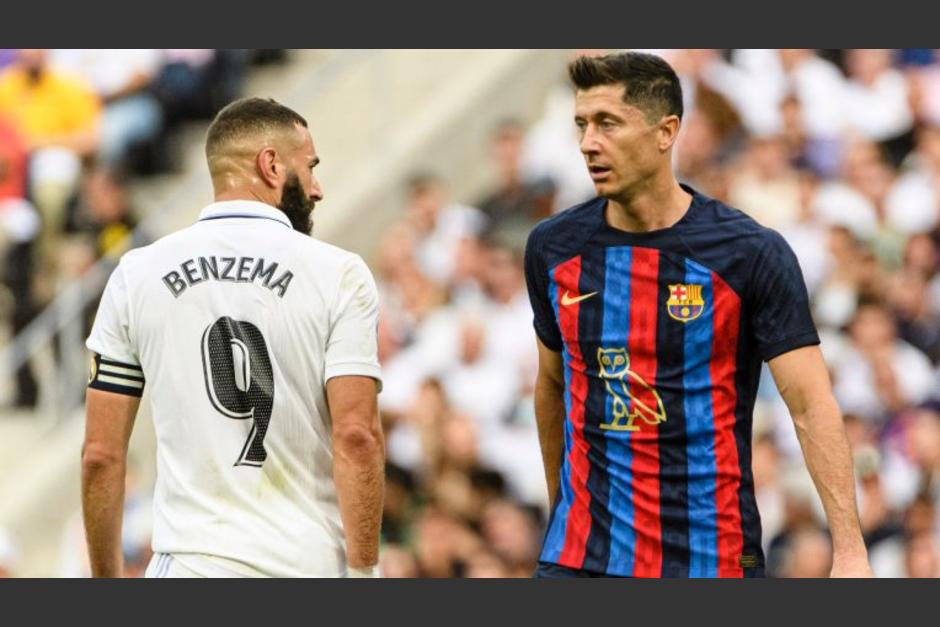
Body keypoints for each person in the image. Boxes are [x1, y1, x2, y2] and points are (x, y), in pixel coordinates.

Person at [524, 52, 873, 578]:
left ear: (666, 132)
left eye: (607, 123)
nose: (588, 143)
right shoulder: (553, 248)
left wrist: (848, 551)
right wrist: (561, 519)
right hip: (582, 558)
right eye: (582, 124)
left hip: (712, 557)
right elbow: (552, 385)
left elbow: (810, 404)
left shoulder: (748, 253)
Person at [82, 97, 385, 577]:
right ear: (271, 165)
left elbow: (100, 455)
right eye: (310, 167)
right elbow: (357, 436)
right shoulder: (339, 274)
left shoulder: (136, 274)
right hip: (306, 565)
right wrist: (365, 573)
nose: (318, 188)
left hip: (189, 566)